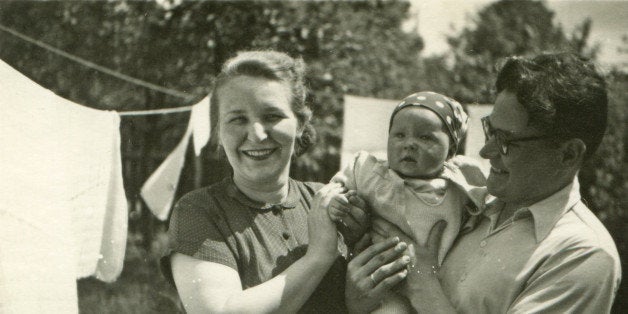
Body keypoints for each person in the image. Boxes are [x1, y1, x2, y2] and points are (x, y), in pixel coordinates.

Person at [345, 52, 622, 313]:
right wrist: (358, 296)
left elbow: (419, 278)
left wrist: (422, 283)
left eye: (506, 141)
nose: (485, 151)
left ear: (568, 154)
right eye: (490, 130)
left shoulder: (581, 255)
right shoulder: (467, 200)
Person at [160, 50, 369, 313]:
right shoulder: (199, 211)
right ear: (218, 130)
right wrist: (319, 256)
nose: (257, 135)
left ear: (301, 124)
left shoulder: (330, 200)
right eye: (237, 119)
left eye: (272, 116)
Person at [328, 91, 487, 312]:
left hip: (436, 285)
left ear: (450, 149)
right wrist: (339, 201)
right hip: (383, 282)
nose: (409, 144)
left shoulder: (459, 185)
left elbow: (487, 207)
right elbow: (334, 190)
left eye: (425, 137)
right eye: (399, 135)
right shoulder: (370, 173)